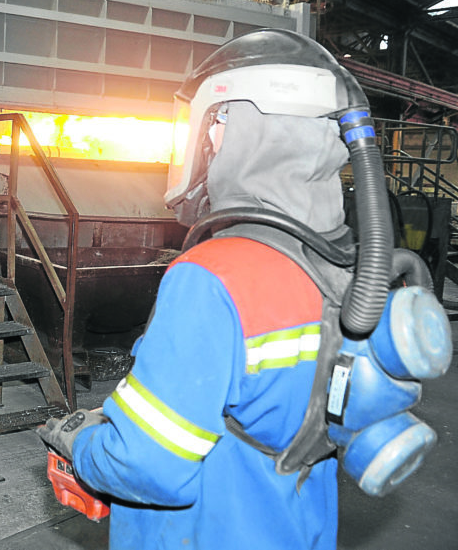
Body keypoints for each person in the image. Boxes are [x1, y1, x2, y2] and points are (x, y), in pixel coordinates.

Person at [38, 28, 397, 549]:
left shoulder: (212, 277)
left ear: (245, 125)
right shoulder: (344, 266)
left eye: (215, 123)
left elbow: (148, 463)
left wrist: (83, 442)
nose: (206, 139)